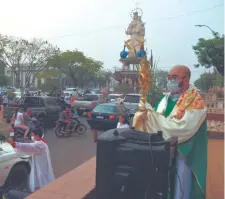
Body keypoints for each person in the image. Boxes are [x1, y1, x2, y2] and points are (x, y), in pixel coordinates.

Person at [133, 65, 207, 199]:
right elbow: (154, 120)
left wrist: (151, 117)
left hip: (184, 154)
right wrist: (146, 115)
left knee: (180, 190)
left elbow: (181, 129)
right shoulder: (165, 99)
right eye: (169, 78)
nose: (169, 81)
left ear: (185, 80)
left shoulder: (196, 102)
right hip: (163, 152)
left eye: (173, 77)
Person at [8, 128, 55, 192]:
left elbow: (27, 146)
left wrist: (14, 144)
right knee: (39, 177)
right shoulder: (41, 142)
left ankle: (45, 191)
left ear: (37, 135)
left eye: (32, 135)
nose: (32, 137)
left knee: (42, 178)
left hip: (41, 165)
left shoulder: (39, 144)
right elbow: (34, 150)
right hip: (40, 163)